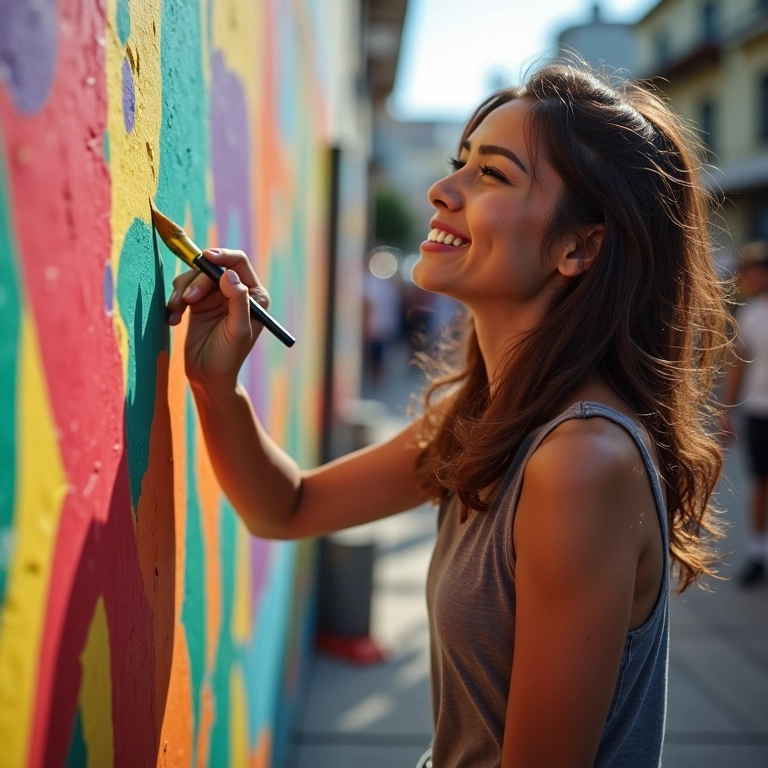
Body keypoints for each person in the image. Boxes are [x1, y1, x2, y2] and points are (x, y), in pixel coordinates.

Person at [166, 62, 730, 768]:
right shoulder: (493, 418)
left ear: (579, 247)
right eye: (459, 161)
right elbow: (287, 508)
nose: (441, 189)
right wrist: (218, 387)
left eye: (492, 174)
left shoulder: (580, 461)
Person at [721, 241, 768, 587]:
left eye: (753, 270)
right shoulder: (750, 312)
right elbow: (738, 363)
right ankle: (757, 554)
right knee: (760, 484)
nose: (747, 277)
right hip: (758, 411)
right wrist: (727, 411)